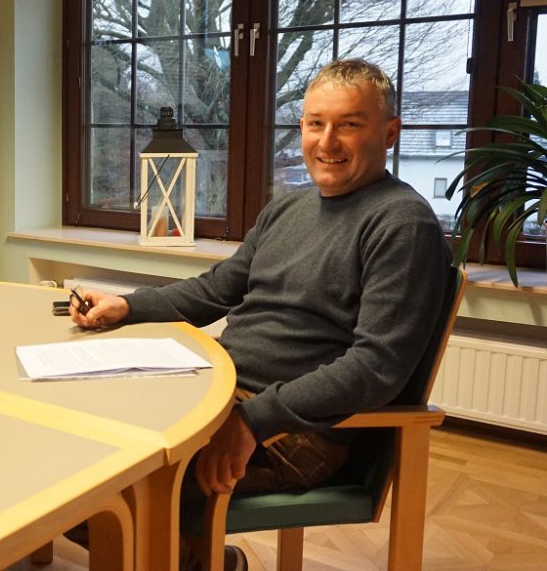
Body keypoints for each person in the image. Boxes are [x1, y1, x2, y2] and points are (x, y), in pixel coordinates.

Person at [69, 59, 453, 570]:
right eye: (316, 123)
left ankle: (189, 559)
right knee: (73, 449)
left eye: (350, 124)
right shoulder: (288, 208)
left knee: (113, 486)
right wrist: (130, 305)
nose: (327, 141)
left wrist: (253, 420)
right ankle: (196, 560)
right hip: (218, 393)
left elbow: (376, 368)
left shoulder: (403, 224)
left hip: (295, 431)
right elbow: (218, 289)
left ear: (390, 134)